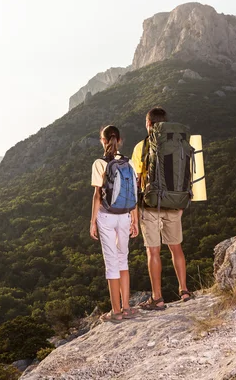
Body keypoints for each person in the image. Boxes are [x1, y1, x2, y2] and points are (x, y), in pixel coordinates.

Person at [131, 107, 194, 310]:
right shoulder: (180, 142)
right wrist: (181, 201)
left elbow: (137, 180)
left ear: (149, 124)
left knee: (153, 251)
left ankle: (157, 298)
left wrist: (134, 212)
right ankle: (184, 291)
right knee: (176, 248)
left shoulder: (142, 146)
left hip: (150, 205)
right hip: (175, 202)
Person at [90, 125, 139, 322]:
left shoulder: (99, 163)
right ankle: (127, 307)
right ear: (119, 140)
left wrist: (92, 221)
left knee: (111, 264)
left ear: (103, 140)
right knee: (123, 260)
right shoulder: (129, 162)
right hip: (125, 215)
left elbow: (97, 196)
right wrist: (135, 219)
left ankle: (116, 312)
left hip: (107, 216)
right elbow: (134, 191)